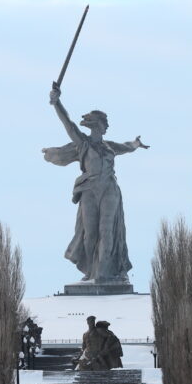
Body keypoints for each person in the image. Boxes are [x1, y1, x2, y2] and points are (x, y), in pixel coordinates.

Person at [43, 83, 148, 284]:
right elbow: (69, 125)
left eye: (102, 123)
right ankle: (92, 272)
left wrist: (135, 144)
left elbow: (126, 147)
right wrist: (57, 103)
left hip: (109, 189)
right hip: (89, 189)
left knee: (107, 231)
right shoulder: (83, 143)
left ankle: (104, 273)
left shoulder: (109, 147)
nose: (103, 126)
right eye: (101, 122)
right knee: (89, 234)